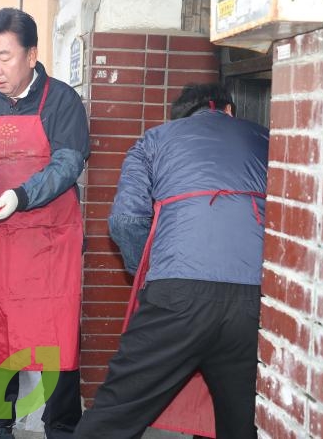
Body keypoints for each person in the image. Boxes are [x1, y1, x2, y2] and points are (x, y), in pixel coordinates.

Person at [74, 83, 269, 439]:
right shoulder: (267, 138)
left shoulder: (153, 140)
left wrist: (149, 276)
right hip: (255, 301)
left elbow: (126, 221)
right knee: (242, 423)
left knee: (113, 417)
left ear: (179, 117)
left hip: (177, 296)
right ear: (229, 111)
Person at [0, 8, 90, 439]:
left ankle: (63, 426)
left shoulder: (62, 100)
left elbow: (69, 162)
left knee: (57, 335)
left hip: (50, 240)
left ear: (31, 55)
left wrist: (22, 195)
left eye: (5, 56)